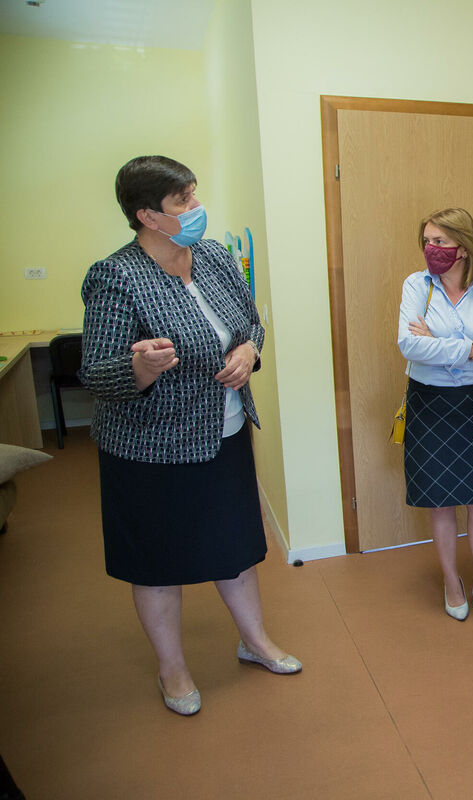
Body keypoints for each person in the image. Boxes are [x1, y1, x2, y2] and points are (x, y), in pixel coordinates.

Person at [80, 155, 300, 717]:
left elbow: (251, 324)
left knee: (236, 548)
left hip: (224, 434)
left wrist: (249, 350)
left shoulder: (216, 258)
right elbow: (96, 372)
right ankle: (172, 669)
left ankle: (256, 641)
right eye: (183, 201)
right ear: (148, 215)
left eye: (195, 194)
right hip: (150, 449)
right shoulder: (116, 276)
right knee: (157, 561)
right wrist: (141, 367)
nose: (197, 207)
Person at [398, 208, 473, 629]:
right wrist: (470, 348)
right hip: (429, 404)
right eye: (427, 241)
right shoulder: (417, 285)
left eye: (440, 241)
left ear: (463, 247)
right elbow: (409, 346)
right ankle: (452, 585)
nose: (431, 248)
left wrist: (439, 343)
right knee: (440, 503)